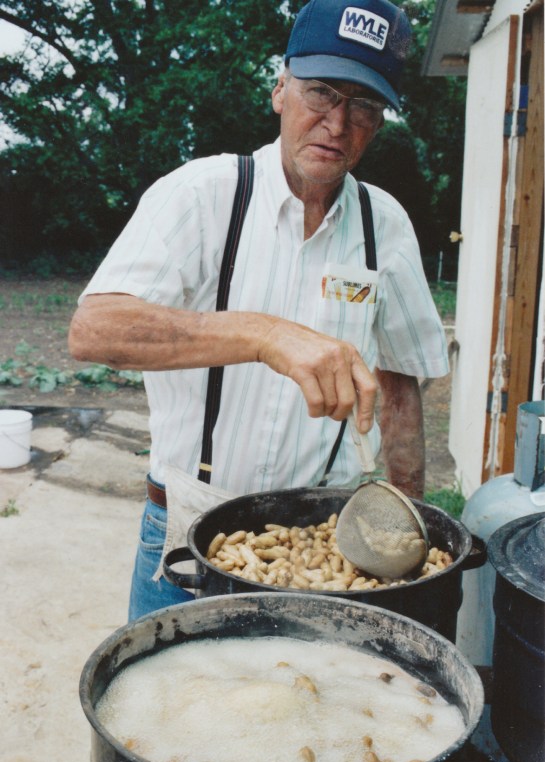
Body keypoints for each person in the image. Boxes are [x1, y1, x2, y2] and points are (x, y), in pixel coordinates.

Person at [69, 0, 449, 621]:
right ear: (280, 89)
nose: (337, 121)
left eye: (363, 105)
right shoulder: (203, 194)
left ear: (378, 123)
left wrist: (406, 530)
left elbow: (401, 385)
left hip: (319, 539)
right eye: (321, 92)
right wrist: (263, 334)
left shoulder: (387, 226)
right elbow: (93, 329)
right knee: (167, 713)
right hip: (190, 530)